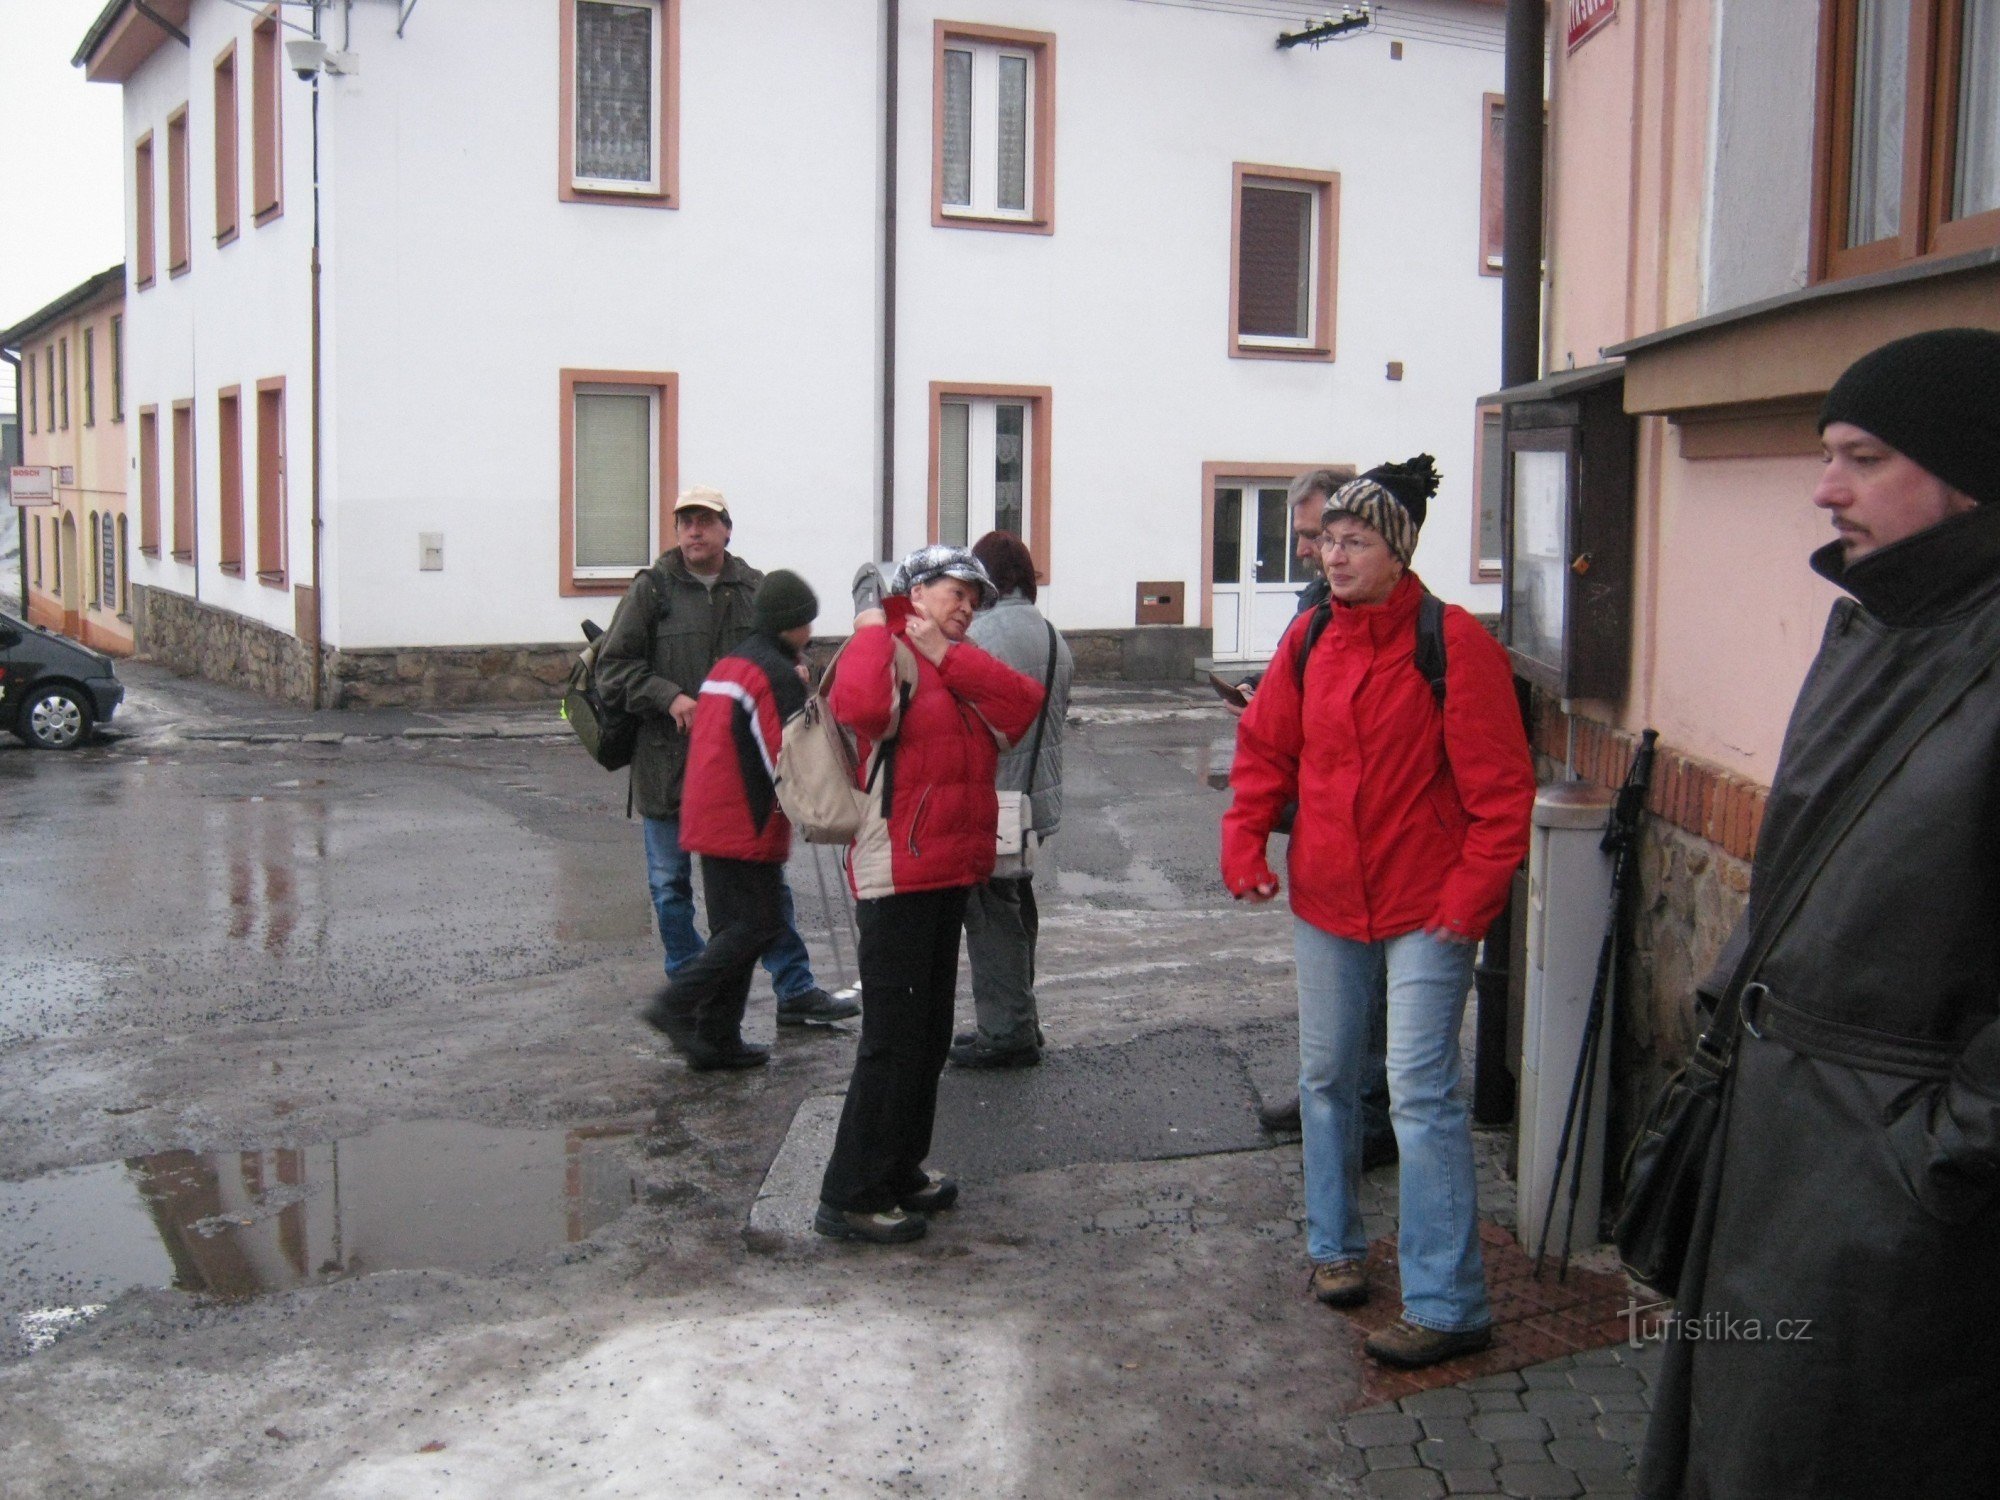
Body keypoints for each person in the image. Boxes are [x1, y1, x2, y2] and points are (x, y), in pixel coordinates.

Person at [1637, 328, 2000, 1499]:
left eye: (1863, 455)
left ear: (1970, 468)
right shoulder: (1879, 627)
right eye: (1825, 452)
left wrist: (1931, 1170)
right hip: (1778, 1144)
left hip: (1886, 1196)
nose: (1823, 487)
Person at [1223, 456, 1535, 1369]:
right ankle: (1336, 1248)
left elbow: (1500, 791)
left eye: (1355, 541)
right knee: (1324, 1078)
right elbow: (1266, 749)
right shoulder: (1312, 639)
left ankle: (1449, 1300)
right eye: (1327, 541)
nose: (1334, 556)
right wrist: (1245, 839)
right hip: (1326, 896)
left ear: (1397, 552)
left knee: (1420, 1094)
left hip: (1426, 906)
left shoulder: (1452, 643)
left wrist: (1472, 898)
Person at [815, 545, 1045, 1244]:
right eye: (955, 591)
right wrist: (870, 623)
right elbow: (857, 706)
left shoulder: (953, 664)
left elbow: (1022, 704)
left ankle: (899, 1168)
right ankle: (849, 1193)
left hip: (949, 870)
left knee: (928, 1036)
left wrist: (946, 651)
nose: (969, 606)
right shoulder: (882, 649)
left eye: (976, 597)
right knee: (891, 1040)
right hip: (898, 873)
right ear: (914, 594)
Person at [597, 487, 857, 1028]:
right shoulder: (651, 589)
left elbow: (785, 646)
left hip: (737, 773)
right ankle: (691, 996)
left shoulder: (753, 587)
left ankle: (793, 989)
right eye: (685, 522)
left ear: (726, 529)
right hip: (667, 765)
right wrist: (669, 696)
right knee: (671, 888)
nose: (694, 530)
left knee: (760, 896)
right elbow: (613, 670)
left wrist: (798, 667)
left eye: (705, 521)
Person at [1239, 468, 1397, 1171]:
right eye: (1312, 539)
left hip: (1382, 848)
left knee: (1375, 999)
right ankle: (1329, 1107)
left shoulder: (1415, 628)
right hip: (1324, 832)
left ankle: (1366, 1119)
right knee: (1335, 1000)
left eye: (1327, 538)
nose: (1314, 552)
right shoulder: (1316, 610)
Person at [641, 571, 820, 1070]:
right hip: (746, 817)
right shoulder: (774, 674)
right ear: (793, 624)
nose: (811, 632)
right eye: (807, 621)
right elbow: (781, 754)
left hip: (706, 813)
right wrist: (814, 805)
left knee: (731, 930)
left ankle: (717, 1037)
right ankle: (675, 1006)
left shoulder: (731, 662)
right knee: (759, 926)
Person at [948, 530, 1074, 1070]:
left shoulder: (981, 635)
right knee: (1017, 905)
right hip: (1032, 800)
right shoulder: (1052, 636)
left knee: (991, 912)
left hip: (994, 799)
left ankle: (1007, 1033)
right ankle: (1021, 1018)